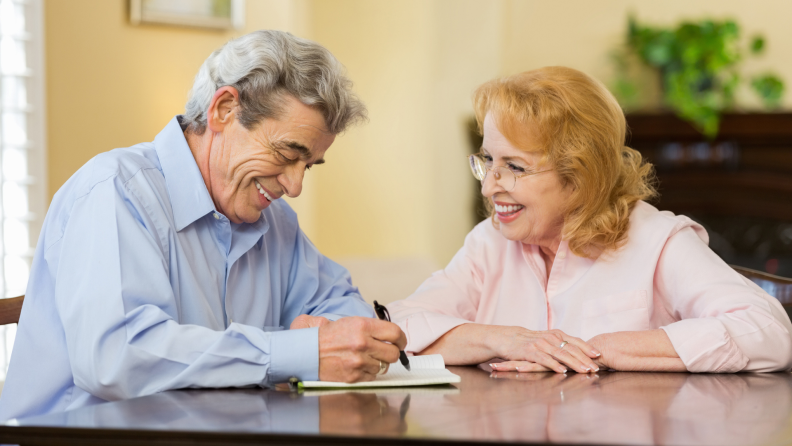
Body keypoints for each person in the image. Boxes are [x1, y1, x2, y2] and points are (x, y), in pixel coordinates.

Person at [0, 30, 405, 421]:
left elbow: (339, 305)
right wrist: (291, 353)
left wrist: (337, 338)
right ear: (224, 110)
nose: (295, 186)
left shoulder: (275, 220)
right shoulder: (114, 191)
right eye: (286, 154)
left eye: (308, 166)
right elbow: (120, 357)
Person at [389, 66, 792, 374]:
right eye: (488, 161)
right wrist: (509, 340)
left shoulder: (656, 240)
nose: (490, 186)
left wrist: (601, 349)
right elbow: (397, 327)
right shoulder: (489, 243)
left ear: (581, 176)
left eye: (514, 166)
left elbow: (768, 331)